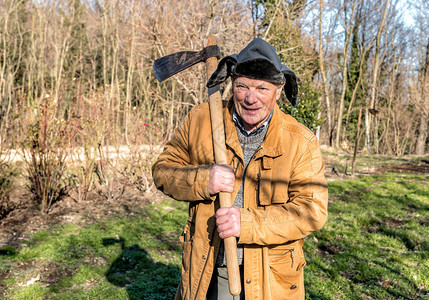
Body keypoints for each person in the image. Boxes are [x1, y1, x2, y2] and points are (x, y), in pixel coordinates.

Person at [152, 38, 328, 300]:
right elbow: (163, 171)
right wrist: (203, 180)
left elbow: (311, 211)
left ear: (279, 90)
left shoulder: (300, 141)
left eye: (262, 88)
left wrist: (246, 223)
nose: (250, 98)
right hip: (208, 268)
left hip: (272, 279)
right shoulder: (201, 120)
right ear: (232, 83)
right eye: (242, 86)